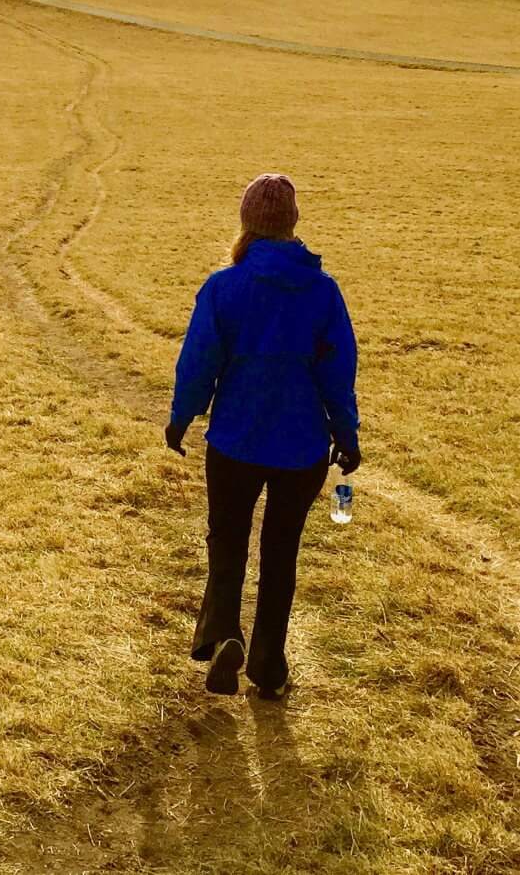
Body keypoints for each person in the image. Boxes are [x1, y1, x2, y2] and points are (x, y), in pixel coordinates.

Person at [165, 173, 360, 700]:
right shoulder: (322, 291)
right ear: (293, 222)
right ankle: (270, 664)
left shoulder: (224, 287)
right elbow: (338, 371)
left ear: (246, 222)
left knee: (227, 542)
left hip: (234, 441)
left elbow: (199, 361)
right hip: (301, 449)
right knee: (281, 553)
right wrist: (346, 434)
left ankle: (225, 633)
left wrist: (182, 417)